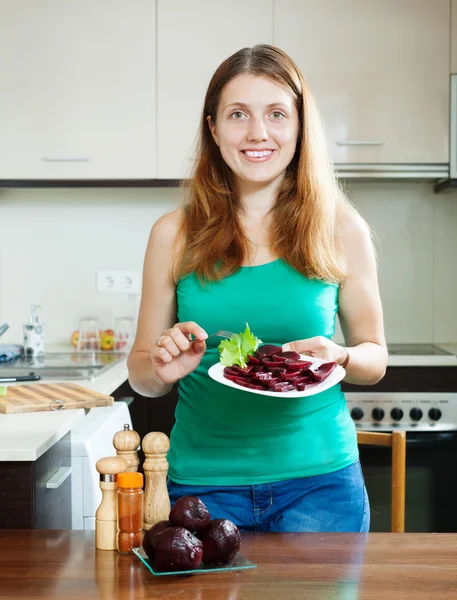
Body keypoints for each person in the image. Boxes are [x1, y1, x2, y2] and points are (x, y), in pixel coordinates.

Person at [127, 44, 387, 533]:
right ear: (213, 129)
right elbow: (141, 373)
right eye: (238, 114)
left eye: (276, 114)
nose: (257, 133)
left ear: (300, 127)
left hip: (322, 485)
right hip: (202, 486)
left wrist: (343, 356)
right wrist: (162, 368)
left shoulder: (341, 229)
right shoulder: (172, 234)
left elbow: (376, 357)